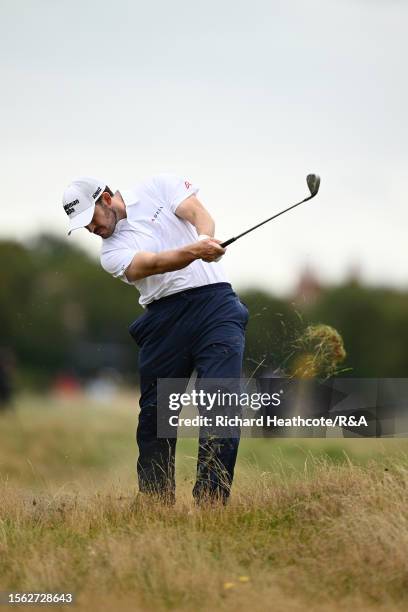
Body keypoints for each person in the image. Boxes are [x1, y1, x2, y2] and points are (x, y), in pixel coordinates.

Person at [62, 173, 249, 503]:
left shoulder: (157, 188)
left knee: (221, 407)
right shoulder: (110, 253)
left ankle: (212, 504)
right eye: (84, 227)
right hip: (164, 321)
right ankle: (156, 504)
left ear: (105, 199)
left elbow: (198, 214)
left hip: (216, 307)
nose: (91, 230)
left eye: (90, 220)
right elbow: (155, 263)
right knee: (156, 418)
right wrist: (195, 250)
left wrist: (207, 238)